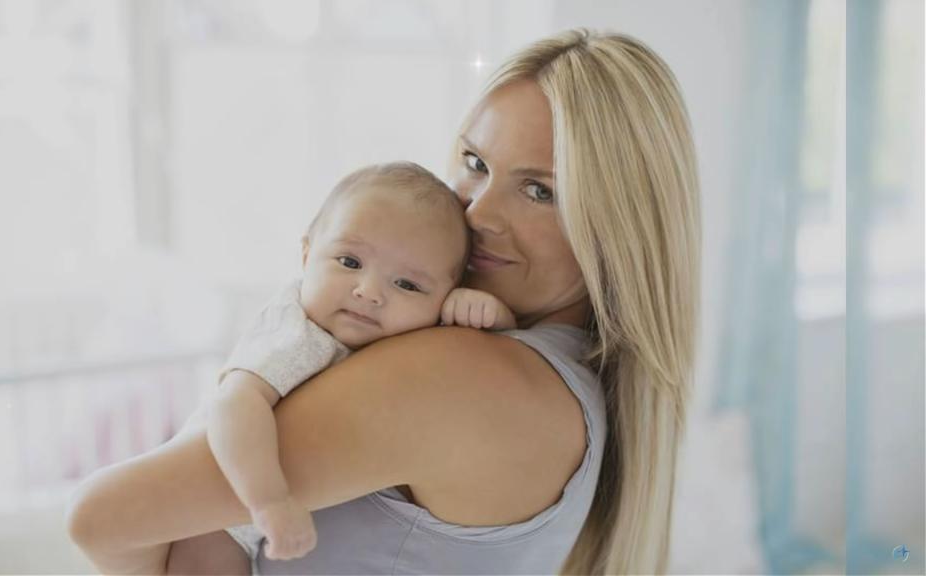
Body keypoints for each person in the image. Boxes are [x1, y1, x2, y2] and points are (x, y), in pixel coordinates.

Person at [66, 28, 700, 575]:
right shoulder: (565, 389)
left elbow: (103, 517)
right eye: (475, 162)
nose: (477, 214)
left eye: (540, 192)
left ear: (620, 229)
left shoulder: (465, 374)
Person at [201, 161, 514, 569]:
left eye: (407, 284)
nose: (369, 292)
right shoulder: (297, 332)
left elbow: (497, 358)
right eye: (349, 262)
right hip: (219, 512)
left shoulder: (407, 336)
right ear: (306, 255)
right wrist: (269, 502)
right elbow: (232, 405)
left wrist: (487, 315)